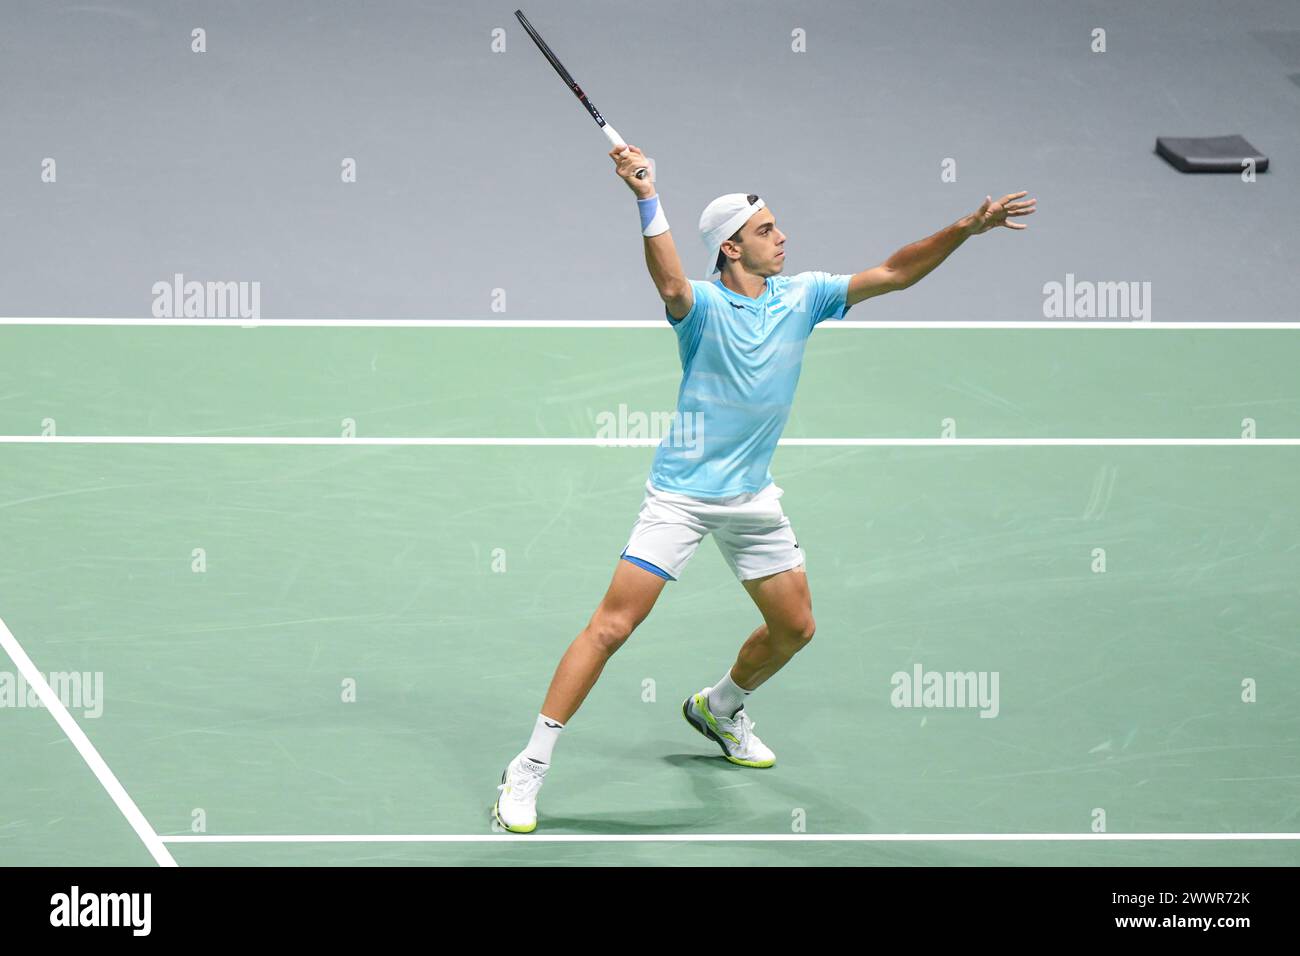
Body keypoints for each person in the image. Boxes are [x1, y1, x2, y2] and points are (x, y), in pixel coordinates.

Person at [494, 143, 1035, 832]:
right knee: (613, 626)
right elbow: (669, 286)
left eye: (778, 228)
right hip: (683, 496)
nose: (783, 239)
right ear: (730, 248)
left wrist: (966, 227)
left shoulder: (801, 297)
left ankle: (716, 708)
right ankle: (529, 768)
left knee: (795, 629)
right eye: (767, 231)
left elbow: (896, 273)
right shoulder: (704, 310)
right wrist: (644, 195)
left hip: (751, 497)